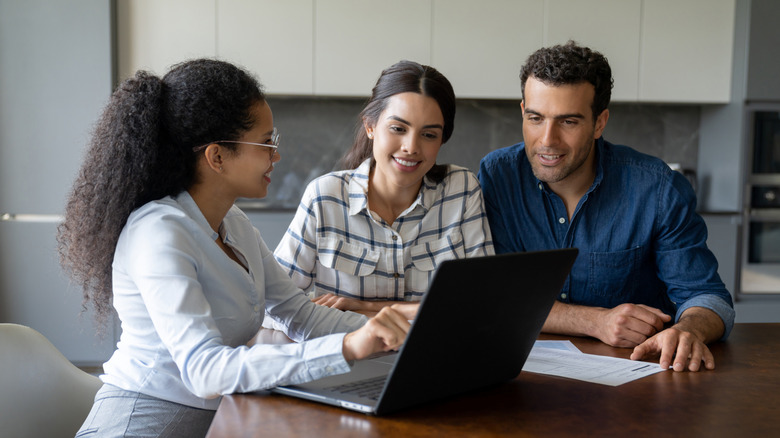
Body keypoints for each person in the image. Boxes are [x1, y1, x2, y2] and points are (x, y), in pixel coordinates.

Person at [56, 59, 415, 438]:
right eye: (265, 142)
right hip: (141, 424)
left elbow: (301, 315)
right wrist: (347, 347)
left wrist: (400, 336)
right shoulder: (158, 232)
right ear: (217, 156)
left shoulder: (234, 224)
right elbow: (205, 372)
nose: (276, 155)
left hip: (213, 423)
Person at [478, 42, 735, 373]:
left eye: (568, 121)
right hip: (524, 375)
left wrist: (689, 330)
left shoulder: (657, 188)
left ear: (600, 123)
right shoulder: (498, 176)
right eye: (535, 118)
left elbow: (708, 297)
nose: (547, 139)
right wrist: (595, 321)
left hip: (638, 374)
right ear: (523, 111)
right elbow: (497, 296)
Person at [273, 60, 494, 317]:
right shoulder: (325, 197)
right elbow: (275, 303)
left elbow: (484, 302)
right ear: (370, 126)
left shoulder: (462, 190)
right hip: (347, 344)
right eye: (398, 129)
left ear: (442, 139)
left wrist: (368, 308)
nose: (411, 147)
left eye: (429, 135)